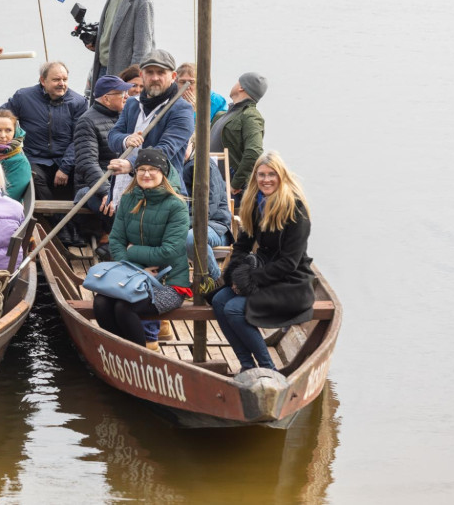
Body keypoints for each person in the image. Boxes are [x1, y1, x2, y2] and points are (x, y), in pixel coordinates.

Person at [212, 151, 315, 371]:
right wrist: (235, 275)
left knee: (233, 309)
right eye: (261, 175)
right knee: (219, 301)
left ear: (281, 176)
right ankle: (247, 366)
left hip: (290, 281)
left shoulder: (296, 210)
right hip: (263, 272)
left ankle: (268, 369)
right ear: (255, 178)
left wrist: (250, 278)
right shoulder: (254, 203)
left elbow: (289, 263)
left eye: (272, 174)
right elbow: (242, 246)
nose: (266, 180)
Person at [92, 149, 190, 351]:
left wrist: (133, 250)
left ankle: (139, 356)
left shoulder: (176, 206)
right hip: (132, 275)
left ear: (163, 173)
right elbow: (116, 240)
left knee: (124, 307)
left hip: (167, 282)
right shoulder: (128, 199)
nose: (146, 174)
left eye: (153, 169)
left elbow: (168, 252)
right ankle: (120, 350)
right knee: (101, 304)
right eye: (141, 169)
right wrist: (136, 269)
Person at [0, 61, 87, 204]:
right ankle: (55, 221)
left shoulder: (78, 102)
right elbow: (0, 117)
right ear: (42, 80)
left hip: (65, 160)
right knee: (32, 177)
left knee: (79, 180)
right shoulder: (23, 97)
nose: (62, 84)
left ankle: (74, 224)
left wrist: (65, 168)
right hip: (35, 159)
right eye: (56, 80)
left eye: (64, 80)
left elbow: (79, 138)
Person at [108, 50, 195, 187]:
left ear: (173, 76)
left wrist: (132, 164)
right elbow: (112, 136)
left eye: (161, 72)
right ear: (142, 75)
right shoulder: (132, 103)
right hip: (124, 188)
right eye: (149, 72)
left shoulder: (182, 110)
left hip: (162, 192)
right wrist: (126, 139)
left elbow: (165, 150)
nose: (155, 78)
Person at [72, 74, 132, 246]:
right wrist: (107, 191)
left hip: (123, 182)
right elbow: (87, 163)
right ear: (106, 98)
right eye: (121, 94)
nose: (126, 97)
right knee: (112, 205)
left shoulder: (124, 118)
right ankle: (122, 242)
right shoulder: (87, 122)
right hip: (91, 187)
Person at [87, 0, 155, 94]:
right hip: (103, 68)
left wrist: (133, 81)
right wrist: (97, 44)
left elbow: (143, 46)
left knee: (118, 114)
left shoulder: (141, 0)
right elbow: (111, 29)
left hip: (122, 76)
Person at [213, 72, 267, 204]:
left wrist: (235, 183)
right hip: (212, 184)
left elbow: (254, 152)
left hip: (229, 191)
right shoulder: (222, 115)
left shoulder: (250, 115)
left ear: (241, 87)